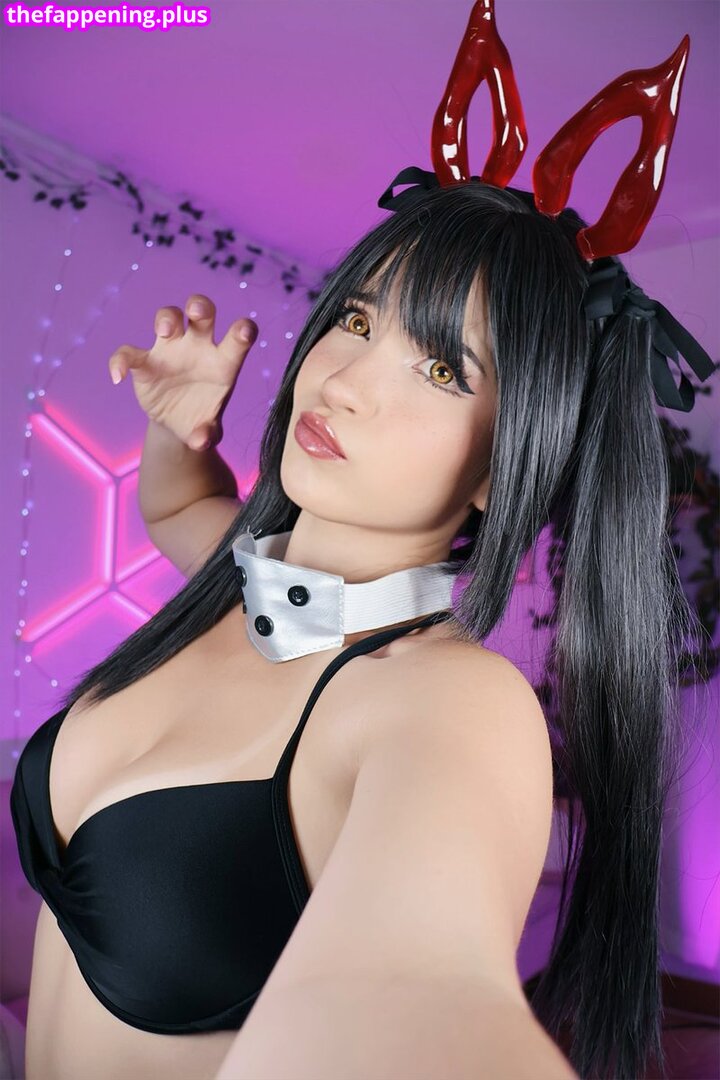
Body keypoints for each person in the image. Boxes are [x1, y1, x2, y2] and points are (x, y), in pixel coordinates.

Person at [10, 3, 716, 1078]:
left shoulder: (449, 701)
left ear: (506, 466)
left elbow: (425, 991)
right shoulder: (246, 583)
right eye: (356, 319)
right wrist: (176, 434)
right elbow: (179, 511)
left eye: (440, 368)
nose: (340, 380)